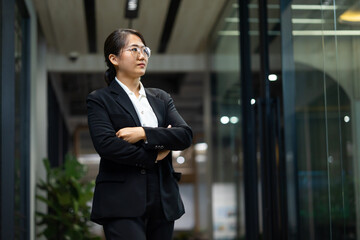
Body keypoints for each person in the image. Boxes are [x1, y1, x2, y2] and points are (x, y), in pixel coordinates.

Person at [86, 28, 193, 240]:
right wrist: (155, 154)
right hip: (120, 200)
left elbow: (184, 135)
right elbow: (107, 146)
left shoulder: (161, 98)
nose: (142, 55)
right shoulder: (99, 99)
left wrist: (143, 133)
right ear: (114, 58)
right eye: (133, 49)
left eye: (144, 50)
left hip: (163, 199)